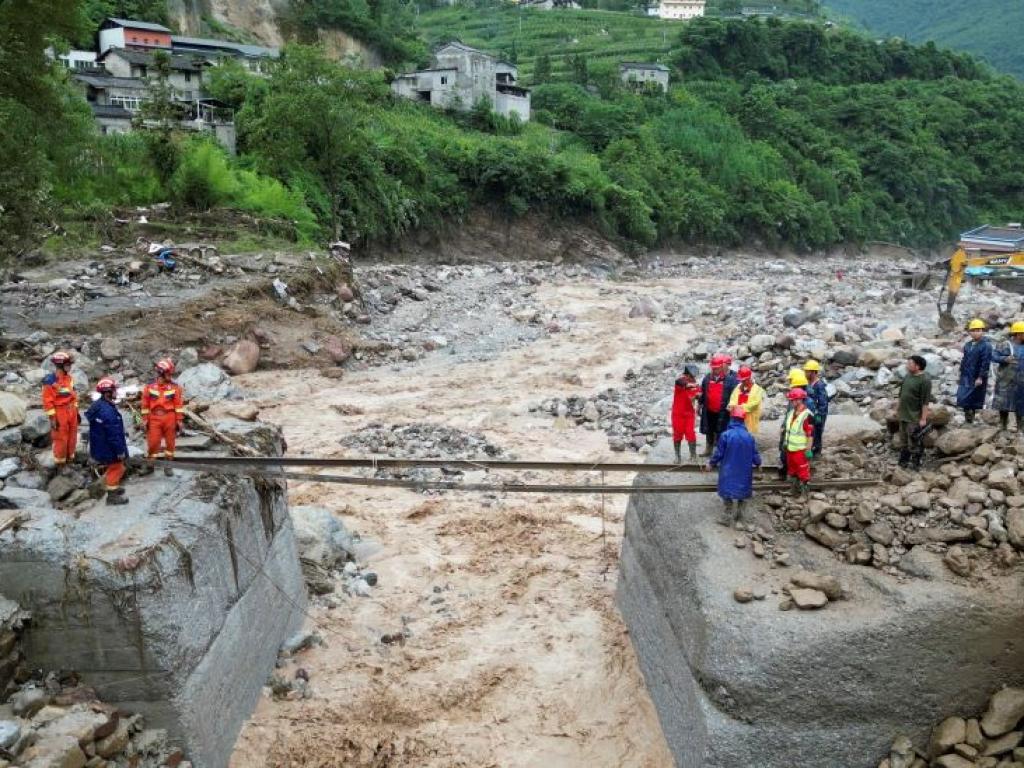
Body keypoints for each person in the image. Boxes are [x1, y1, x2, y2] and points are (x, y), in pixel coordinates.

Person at [707, 405, 762, 526]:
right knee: (743, 495)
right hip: (744, 473)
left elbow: (718, 454)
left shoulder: (726, 435)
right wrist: (758, 463)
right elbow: (755, 454)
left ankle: (727, 517)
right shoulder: (749, 437)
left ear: (731, 418)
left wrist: (711, 463)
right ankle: (739, 521)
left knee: (727, 493)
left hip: (728, 471)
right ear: (743, 419)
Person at [86, 377, 129, 506]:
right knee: (116, 468)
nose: (116, 392)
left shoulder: (98, 405)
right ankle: (112, 495)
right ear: (108, 393)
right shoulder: (108, 412)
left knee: (114, 467)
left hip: (99, 445)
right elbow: (113, 435)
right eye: (114, 390)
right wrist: (120, 451)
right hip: (109, 447)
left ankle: (114, 487)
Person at [141, 358, 184, 476]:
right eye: (168, 373)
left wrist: (179, 420)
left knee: (170, 444)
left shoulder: (175, 387)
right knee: (153, 443)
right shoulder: (149, 387)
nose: (170, 375)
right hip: (154, 418)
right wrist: (145, 420)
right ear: (161, 373)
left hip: (170, 418)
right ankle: (150, 465)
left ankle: (168, 466)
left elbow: (178, 405)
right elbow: (145, 405)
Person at [41, 351, 80, 472]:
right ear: (60, 365)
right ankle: (60, 464)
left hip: (71, 410)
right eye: (68, 364)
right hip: (60, 412)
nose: (70, 366)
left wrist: (76, 412)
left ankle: (70, 459)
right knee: (61, 438)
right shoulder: (50, 381)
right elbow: (48, 402)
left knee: (72, 435)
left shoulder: (69, 378)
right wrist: (52, 418)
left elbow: (74, 395)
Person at [897, 355, 932, 469]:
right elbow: (901, 395)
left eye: (910, 363)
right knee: (903, 441)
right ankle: (903, 462)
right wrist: (897, 409)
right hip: (903, 414)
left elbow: (925, 402)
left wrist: (923, 418)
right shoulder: (907, 376)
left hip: (914, 416)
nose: (907, 365)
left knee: (914, 440)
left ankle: (916, 463)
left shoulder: (925, 380)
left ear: (918, 366)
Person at [699, 354, 738, 456]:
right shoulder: (707, 378)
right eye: (713, 368)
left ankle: (721, 452)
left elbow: (734, 396)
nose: (715, 370)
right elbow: (703, 393)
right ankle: (708, 449)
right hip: (709, 410)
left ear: (721, 367)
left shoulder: (730, 380)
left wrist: (732, 408)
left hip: (723, 412)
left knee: (722, 431)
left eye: (717, 368)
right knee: (709, 430)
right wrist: (699, 406)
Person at [956, 319, 992, 424]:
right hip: (966, 375)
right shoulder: (968, 345)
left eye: (978, 330)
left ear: (982, 331)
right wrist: (961, 371)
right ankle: (968, 416)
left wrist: (980, 377)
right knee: (962, 397)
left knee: (974, 398)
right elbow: (964, 358)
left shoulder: (986, 345)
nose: (976, 332)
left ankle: (970, 419)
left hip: (977, 375)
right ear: (970, 332)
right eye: (973, 330)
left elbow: (985, 362)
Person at [991, 321, 1024, 432]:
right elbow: (994, 355)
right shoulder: (1006, 345)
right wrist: (1004, 359)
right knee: (1003, 403)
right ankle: (1003, 426)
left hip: (1021, 381)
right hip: (1005, 381)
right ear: (1018, 334)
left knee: (1021, 403)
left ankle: (1020, 428)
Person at [777, 368, 810, 479]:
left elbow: (808, 428)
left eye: (791, 381)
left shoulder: (800, 400)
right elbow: (789, 416)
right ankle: (791, 480)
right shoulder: (799, 398)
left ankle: (788, 476)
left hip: (796, 442)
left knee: (796, 464)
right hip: (791, 437)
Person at [783, 388, 815, 496]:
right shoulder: (791, 413)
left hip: (800, 450)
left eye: (792, 400)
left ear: (799, 400)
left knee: (803, 473)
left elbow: (810, 435)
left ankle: (804, 495)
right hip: (790, 449)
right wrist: (785, 443)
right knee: (792, 471)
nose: (791, 402)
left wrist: (808, 450)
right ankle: (794, 491)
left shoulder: (807, 415)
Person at [671, 364, 701, 463]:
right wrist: (691, 385)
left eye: (694, 377)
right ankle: (677, 456)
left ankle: (693, 455)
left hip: (689, 414)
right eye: (691, 376)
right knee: (677, 434)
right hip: (678, 413)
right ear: (687, 375)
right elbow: (679, 382)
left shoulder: (695, 384)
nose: (693, 378)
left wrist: (698, 396)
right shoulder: (680, 381)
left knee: (691, 434)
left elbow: (698, 395)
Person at [727, 366, 764, 434]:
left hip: (749, 420)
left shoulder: (757, 390)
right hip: (737, 418)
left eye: (743, 380)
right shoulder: (738, 387)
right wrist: (731, 405)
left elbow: (754, 404)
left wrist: (740, 408)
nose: (742, 381)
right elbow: (733, 398)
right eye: (741, 380)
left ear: (749, 378)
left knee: (747, 437)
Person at [803, 360, 829, 457]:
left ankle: (816, 451)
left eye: (808, 371)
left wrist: (820, 415)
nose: (806, 373)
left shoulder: (819, 385)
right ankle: (810, 449)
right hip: (810, 412)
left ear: (814, 372)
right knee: (810, 432)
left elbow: (823, 402)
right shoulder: (808, 383)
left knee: (817, 432)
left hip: (818, 414)